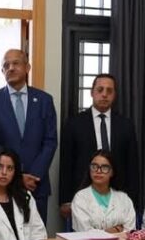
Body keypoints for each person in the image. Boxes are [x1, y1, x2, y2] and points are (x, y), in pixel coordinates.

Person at [0, 48, 57, 224]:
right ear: (2, 71)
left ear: (27, 67)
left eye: (16, 63)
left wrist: (34, 175)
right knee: (5, 236)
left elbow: (50, 141)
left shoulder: (44, 100)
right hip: (3, 186)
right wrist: (17, 177)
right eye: (6, 65)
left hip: (36, 185)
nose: (11, 68)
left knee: (37, 237)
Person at [59, 73, 139, 219]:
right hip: (82, 195)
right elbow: (66, 165)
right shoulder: (74, 124)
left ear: (114, 95)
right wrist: (65, 200)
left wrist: (133, 199)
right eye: (100, 90)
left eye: (109, 91)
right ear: (92, 92)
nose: (104, 94)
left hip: (118, 195)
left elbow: (132, 166)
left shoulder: (126, 125)